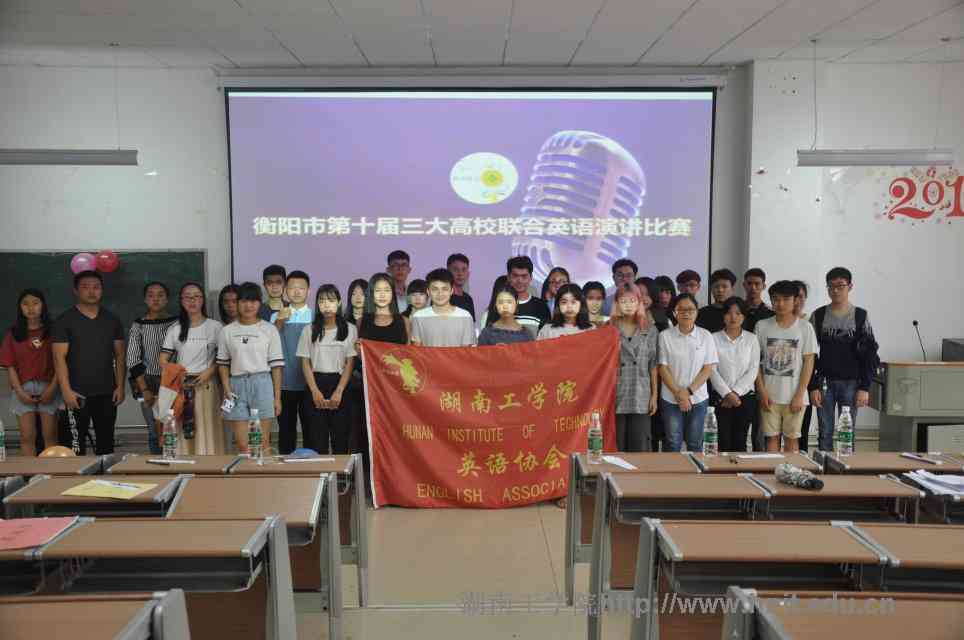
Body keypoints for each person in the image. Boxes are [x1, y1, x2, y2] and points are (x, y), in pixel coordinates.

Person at [51, 270, 126, 455]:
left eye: (96, 287)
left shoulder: (112, 320)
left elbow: (120, 355)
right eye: (85, 287)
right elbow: (58, 358)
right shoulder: (64, 321)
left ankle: (105, 475)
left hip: (107, 393)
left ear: (102, 290)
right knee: (74, 448)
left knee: (106, 446)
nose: (92, 291)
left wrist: (120, 386)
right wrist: (66, 391)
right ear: (76, 291)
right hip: (76, 394)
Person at [810, 267, 878, 453]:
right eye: (831, 286)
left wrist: (865, 387)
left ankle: (847, 467)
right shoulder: (819, 315)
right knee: (825, 431)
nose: (835, 291)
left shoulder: (860, 316)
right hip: (824, 382)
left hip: (852, 382)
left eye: (840, 286)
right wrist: (812, 386)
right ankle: (824, 466)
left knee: (846, 433)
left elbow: (870, 354)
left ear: (850, 286)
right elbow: (810, 354)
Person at [216, 282, 283, 454]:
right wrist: (227, 389)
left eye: (253, 301)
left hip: (262, 383)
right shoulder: (227, 331)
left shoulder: (269, 329)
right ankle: (247, 471)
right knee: (243, 445)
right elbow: (222, 364)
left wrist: (277, 398)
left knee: (262, 443)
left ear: (260, 303)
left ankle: (264, 472)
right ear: (237, 303)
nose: (248, 306)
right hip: (236, 386)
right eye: (244, 301)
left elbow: (276, 367)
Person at [158, 283, 224, 455]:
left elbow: (223, 358)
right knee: (182, 430)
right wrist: (176, 374)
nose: (192, 301)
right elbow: (163, 359)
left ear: (202, 300)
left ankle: (208, 466)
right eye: (187, 297)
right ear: (181, 301)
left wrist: (209, 372)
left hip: (206, 385)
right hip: (181, 387)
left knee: (206, 428)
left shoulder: (215, 327)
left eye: (196, 296)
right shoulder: (175, 329)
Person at [357, 273, 411, 475]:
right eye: (377, 290)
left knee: (397, 434)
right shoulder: (363, 321)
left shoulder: (403, 321)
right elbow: (360, 356)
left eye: (386, 290)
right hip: (370, 389)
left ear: (393, 294)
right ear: (371, 294)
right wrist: (358, 351)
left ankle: (398, 476)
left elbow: (409, 356)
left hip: (397, 390)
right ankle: (370, 479)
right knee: (370, 434)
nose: (382, 295)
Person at [755, 281, 818, 453]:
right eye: (776, 299)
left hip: (795, 396)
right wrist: (762, 392)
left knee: (792, 439)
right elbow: (755, 363)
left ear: (795, 300)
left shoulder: (805, 327)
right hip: (769, 396)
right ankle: (772, 470)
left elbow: (809, 362)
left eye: (786, 299)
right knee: (771, 439)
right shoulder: (762, 326)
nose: (780, 304)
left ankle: (791, 470)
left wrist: (800, 394)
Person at [0, 289, 60, 455]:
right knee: (27, 437)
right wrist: (19, 392)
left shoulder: (54, 331)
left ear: (43, 306)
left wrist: (52, 388)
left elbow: (60, 362)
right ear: (20, 308)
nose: (31, 308)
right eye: (25, 304)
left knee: (50, 435)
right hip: (23, 388)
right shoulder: (13, 334)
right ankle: (30, 471)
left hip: (49, 387)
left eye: (35, 303)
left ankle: (51, 471)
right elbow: (10, 366)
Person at [298, 284, 356, 455]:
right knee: (317, 440)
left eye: (331, 300)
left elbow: (350, 363)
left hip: (341, 384)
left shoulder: (350, 329)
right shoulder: (309, 329)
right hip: (315, 383)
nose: (326, 305)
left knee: (341, 439)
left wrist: (339, 391)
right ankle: (320, 473)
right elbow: (305, 362)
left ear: (339, 303)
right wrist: (314, 390)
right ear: (317, 304)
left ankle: (341, 473)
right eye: (322, 301)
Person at [657, 293, 718, 452]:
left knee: (695, 443)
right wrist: (679, 394)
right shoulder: (665, 336)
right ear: (674, 313)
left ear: (696, 312)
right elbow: (662, 367)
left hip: (698, 398)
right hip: (671, 398)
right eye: (681, 309)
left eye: (690, 309)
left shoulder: (705, 336)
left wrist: (688, 392)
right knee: (672, 442)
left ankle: (695, 469)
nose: (686, 313)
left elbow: (708, 368)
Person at [125, 281, 176, 455]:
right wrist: (144, 389)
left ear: (167, 299)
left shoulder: (177, 324)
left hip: (172, 381)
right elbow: (132, 359)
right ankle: (157, 465)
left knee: (172, 426)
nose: (156, 299)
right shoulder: (139, 324)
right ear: (145, 299)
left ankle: (174, 463)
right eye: (151, 295)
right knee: (154, 429)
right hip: (147, 381)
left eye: (160, 295)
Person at [610, 284, 659, 452]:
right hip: (616, 392)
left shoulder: (650, 329)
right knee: (616, 448)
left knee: (640, 447)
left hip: (641, 392)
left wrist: (654, 396)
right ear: (617, 303)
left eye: (632, 300)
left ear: (639, 302)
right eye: (623, 301)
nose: (628, 305)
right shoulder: (608, 329)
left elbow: (653, 365)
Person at [709, 297, 760, 452]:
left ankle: (740, 469)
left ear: (743, 316)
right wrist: (727, 394)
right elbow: (711, 369)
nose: (733, 317)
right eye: (729, 313)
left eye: (738, 313)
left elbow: (753, 369)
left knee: (740, 441)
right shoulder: (713, 338)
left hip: (745, 398)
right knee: (722, 441)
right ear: (723, 315)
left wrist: (735, 393)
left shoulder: (752, 339)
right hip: (720, 398)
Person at [270, 270, 313, 455]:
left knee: (311, 429)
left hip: (310, 382)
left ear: (308, 291)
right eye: (292, 287)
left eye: (301, 288)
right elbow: (269, 344)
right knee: (286, 431)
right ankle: (285, 467)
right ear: (285, 291)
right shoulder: (276, 316)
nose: (296, 291)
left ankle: (311, 467)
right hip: (285, 381)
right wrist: (280, 321)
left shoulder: (315, 315)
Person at [411, 269, 476, 347]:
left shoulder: (465, 316)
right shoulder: (418, 316)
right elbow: (417, 350)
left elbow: (466, 350)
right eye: (435, 289)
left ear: (451, 291)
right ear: (428, 292)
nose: (440, 294)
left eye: (444, 289)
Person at [792, 281, 816, 452]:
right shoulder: (773, 322)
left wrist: (813, 387)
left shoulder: (810, 323)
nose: (797, 301)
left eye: (801, 296)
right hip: (780, 387)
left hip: (805, 386)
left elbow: (814, 359)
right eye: (793, 297)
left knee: (801, 433)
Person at [507, 256, 550, 338]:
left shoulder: (541, 306)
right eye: (515, 276)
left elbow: (546, 338)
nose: (519, 281)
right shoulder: (500, 305)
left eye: (524, 276)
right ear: (508, 277)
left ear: (531, 278)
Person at [696, 269, 736, 334]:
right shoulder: (701, 314)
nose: (720, 290)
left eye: (724, 286)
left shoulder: (739, 314)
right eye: (716, 287)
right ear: (711, 289)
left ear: (732, 289)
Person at [742, 268, 774, 332]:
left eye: (757, 284)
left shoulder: (771, 314)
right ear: (744, 285)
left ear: (764, 286)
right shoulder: (737, 310)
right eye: (749, 283)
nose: (753, 287)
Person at [447, 253, 476, 321]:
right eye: (455, 269)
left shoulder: (468, 299)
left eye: (464, 270)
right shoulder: (442, 298)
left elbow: (471, 324)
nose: (460, 274)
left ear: (468, 274)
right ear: (448, 272)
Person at [387, 250, 411, 314]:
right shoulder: (383, 294)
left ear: (409, 270)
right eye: (396, 265)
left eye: (404, 265)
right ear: (388, 270)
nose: (400, 269)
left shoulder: (414, 292)